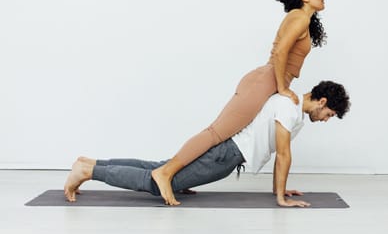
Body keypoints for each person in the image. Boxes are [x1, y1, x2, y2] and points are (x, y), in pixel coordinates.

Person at [152, 0, 327, 205]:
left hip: (266, 81)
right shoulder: (299, 18)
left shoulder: (300, 18)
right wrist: (282, 87)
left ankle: (176, 175)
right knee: (215, 134)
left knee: (215, 134)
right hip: (264, 82)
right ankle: (165, 172)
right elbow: (280, 52)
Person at [64, 81, 350, 208]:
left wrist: (280, 187)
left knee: (159, 168)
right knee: (156, 183)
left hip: (225, 153)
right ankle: (88, 172)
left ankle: (90, 164)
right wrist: (280, 198)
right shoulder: (290, 107)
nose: (325, 120)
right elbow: (284, 155)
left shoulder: (293, 110)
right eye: (328, 115)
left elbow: (276, 151)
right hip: (224, 156)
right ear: (322, 101)